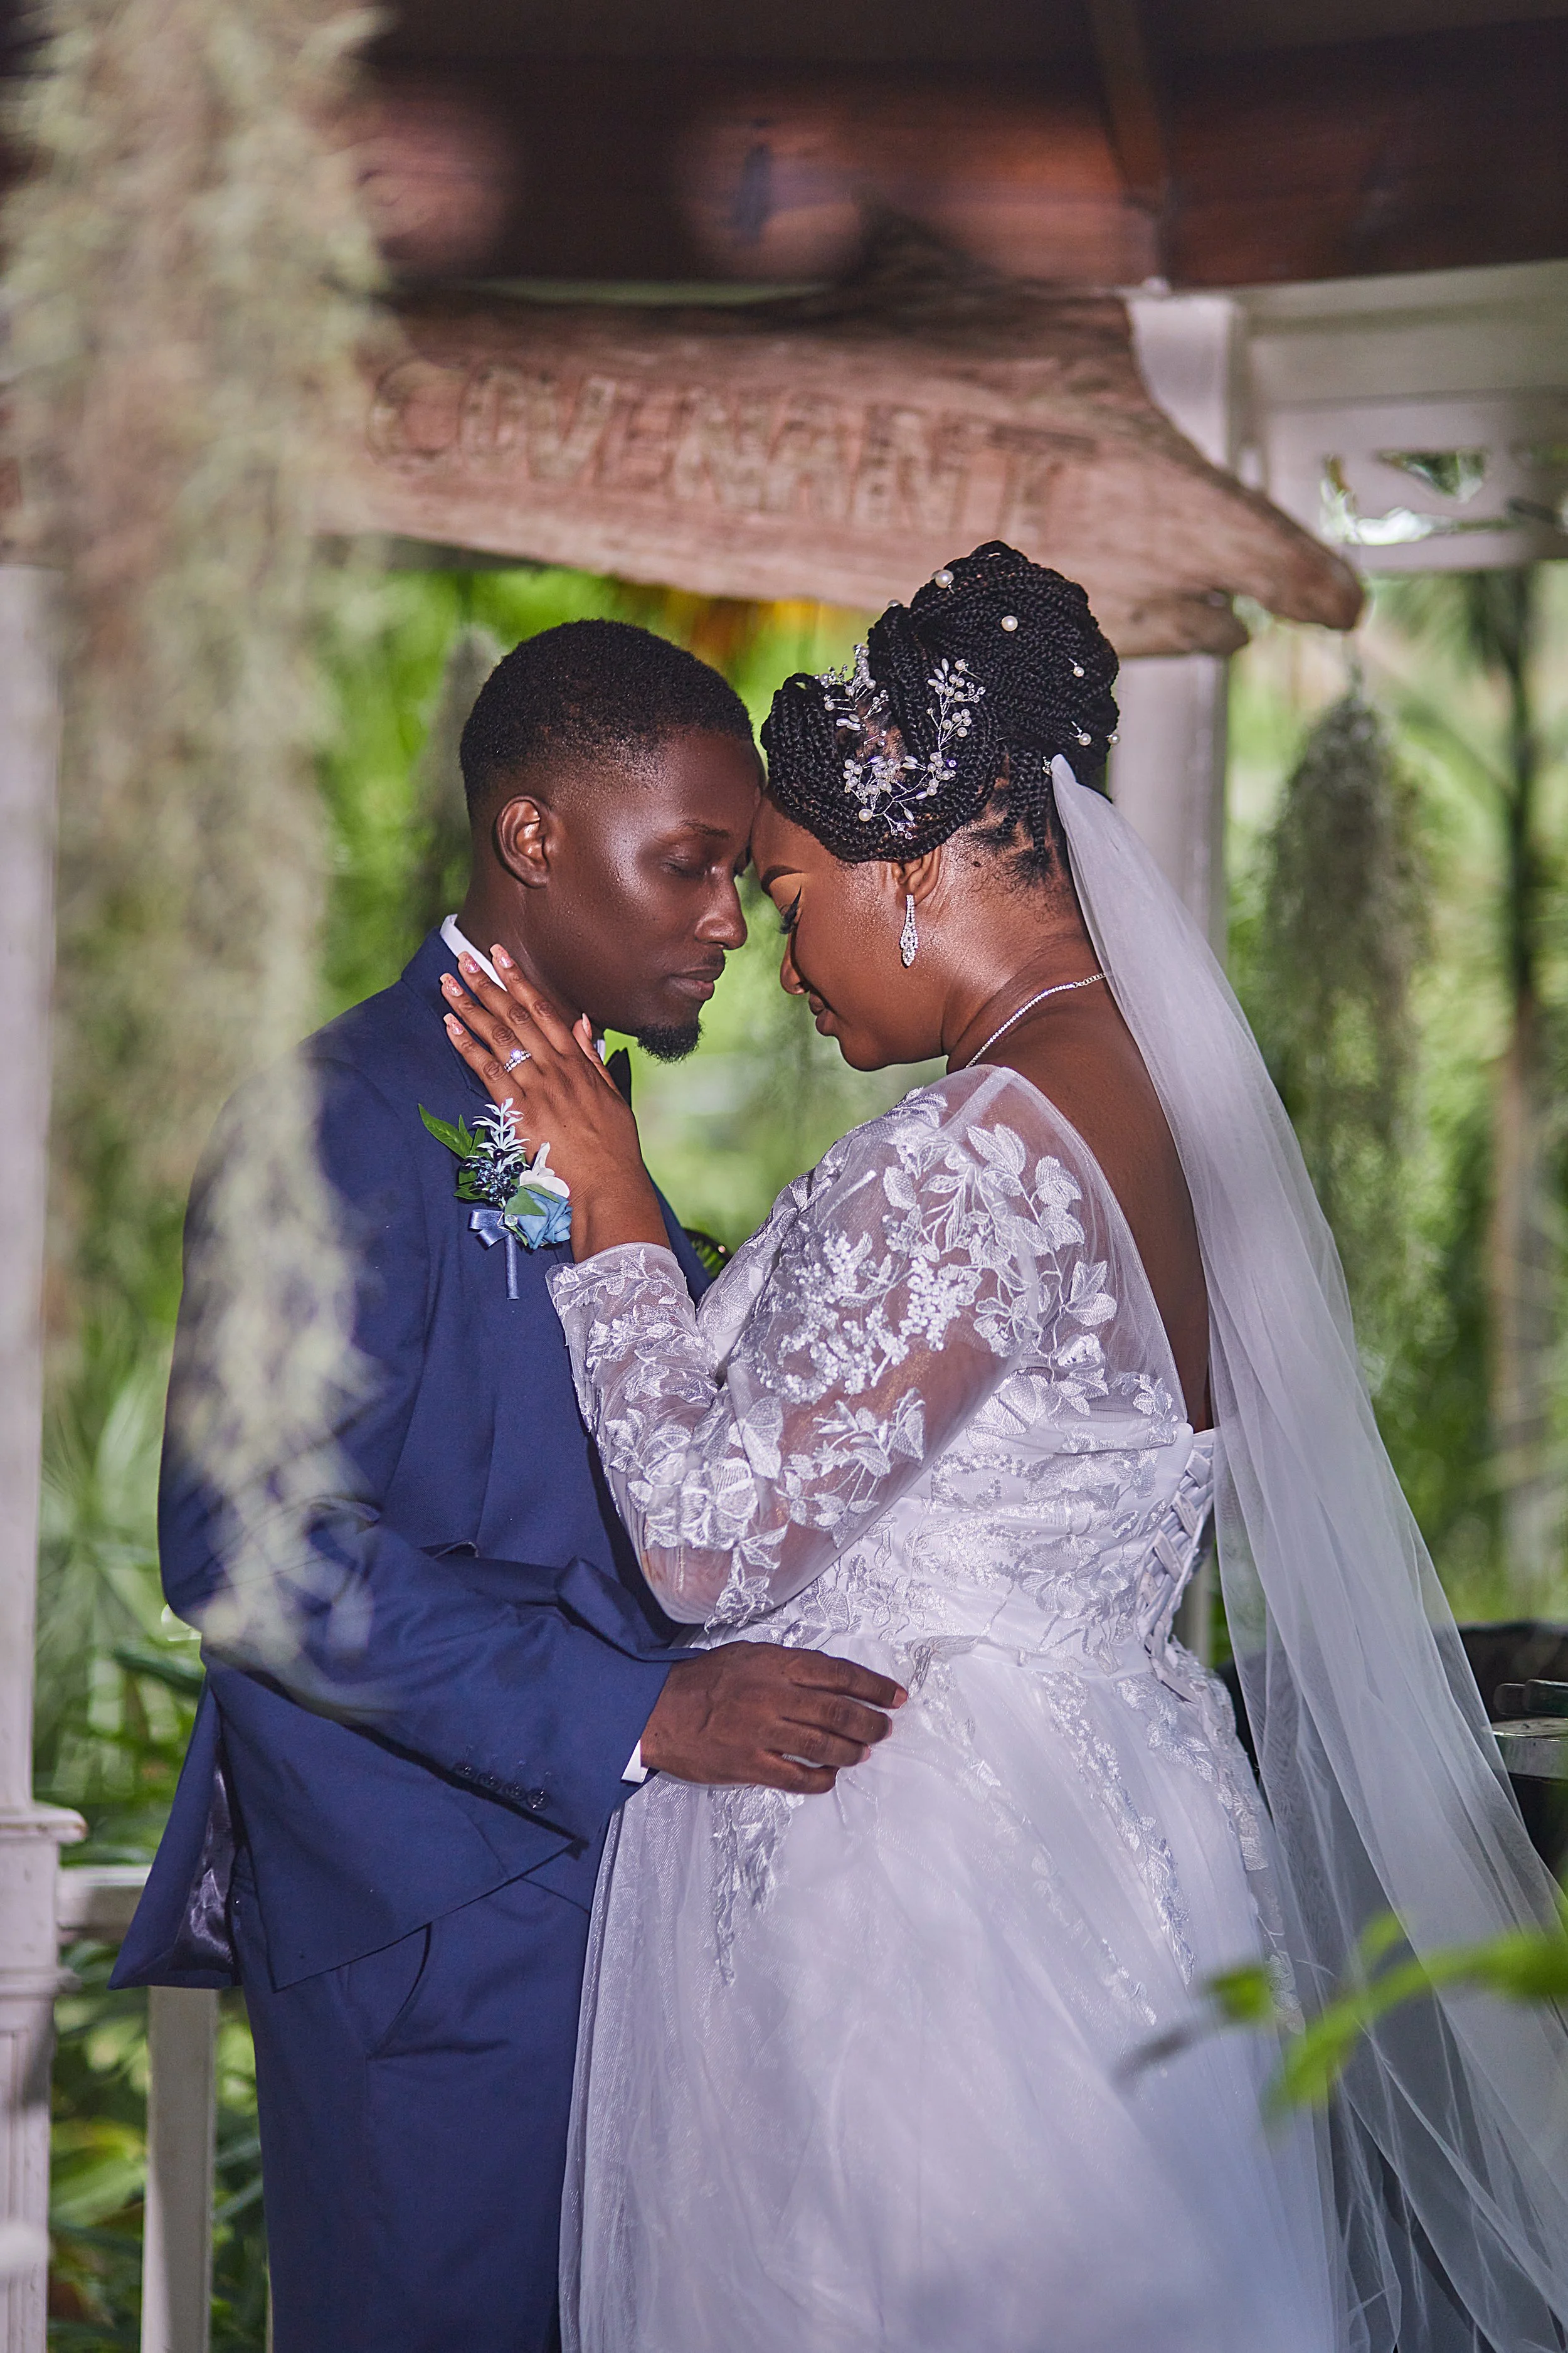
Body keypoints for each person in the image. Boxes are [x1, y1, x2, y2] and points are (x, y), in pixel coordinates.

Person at [445, 548, 1568, 2353]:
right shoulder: (1153, 1101)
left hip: (921, 1899)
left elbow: (706, 1548)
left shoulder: (975, 1145)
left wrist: (611, 1215)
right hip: (1107, 1836)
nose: (782, 963)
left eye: (796, 898)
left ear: (921, 873)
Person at [112, 620, 904, 2353]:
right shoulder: (326, 1118)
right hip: (436, 1941)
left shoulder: (596, 1135)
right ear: (532, 836)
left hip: (631, 1908)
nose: (728, 916)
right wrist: (643, 1714)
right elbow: (243, 1540)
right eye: (691, 864)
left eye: (737, 875)